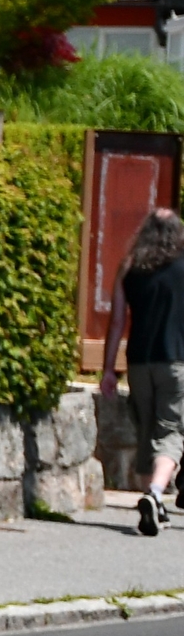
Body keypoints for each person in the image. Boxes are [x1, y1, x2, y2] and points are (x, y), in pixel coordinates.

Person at [101, 208, 184, 535]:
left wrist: (109, 368)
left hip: (139, 363)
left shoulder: (130, 266)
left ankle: (155, 505)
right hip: (176, 361)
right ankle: (155, 494)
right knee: (171, 432)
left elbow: (118, 320)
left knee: (148, 432)